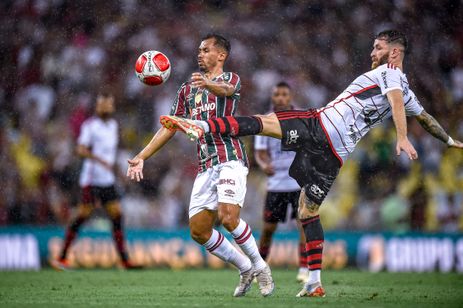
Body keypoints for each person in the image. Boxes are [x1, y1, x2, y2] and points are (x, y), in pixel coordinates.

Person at [159, 30, 463, 298]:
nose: (372, 53)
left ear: (394, 52)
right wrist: (448, 140)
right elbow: (425, 117)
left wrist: (402, 136)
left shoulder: (392, 74)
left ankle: (204, 127)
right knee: (308, 210)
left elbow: (398, 102)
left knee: (264, 124)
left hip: (320, 125)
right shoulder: (404, 87)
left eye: (378, 47)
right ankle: (314, 282)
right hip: (334, 154)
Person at [127, 34, 274, 297]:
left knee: (229, 217)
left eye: (206, 50)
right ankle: (244, 267)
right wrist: (142, 156)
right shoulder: (186, 90)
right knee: (199, 230)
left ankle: (261, 267)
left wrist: (208, 84)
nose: (200, 54)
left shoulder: (231, 80)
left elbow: (226, 91)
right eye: (199, 50)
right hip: (206, 164)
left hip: (231, 158)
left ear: (221, 55)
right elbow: (169, 126)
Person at [51, 93, 138, 270]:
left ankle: (124, 261)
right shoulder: (90, 126)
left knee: (117, 215)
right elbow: (81, 150)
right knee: (82, 216)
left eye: (108, 104)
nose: (105, 107)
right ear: (97, 107)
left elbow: (110, 154)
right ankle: (61, 258)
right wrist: (99, 160)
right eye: (102, 104)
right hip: (91, 179)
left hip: (107, 180)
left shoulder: (113, 125)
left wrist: (115, 169)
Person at [254, 82, 308, 283]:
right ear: (272, 97)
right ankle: (260, 269)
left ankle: (304, 269)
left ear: (291, 96)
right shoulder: (265, 120)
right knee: (268, 229)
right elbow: (259, 152)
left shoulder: (302, 118)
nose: (281, 98)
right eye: (277, 94)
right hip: (276, 183)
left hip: (298, 183)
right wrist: (263, 164)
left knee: (303, 225)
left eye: (285, 94)